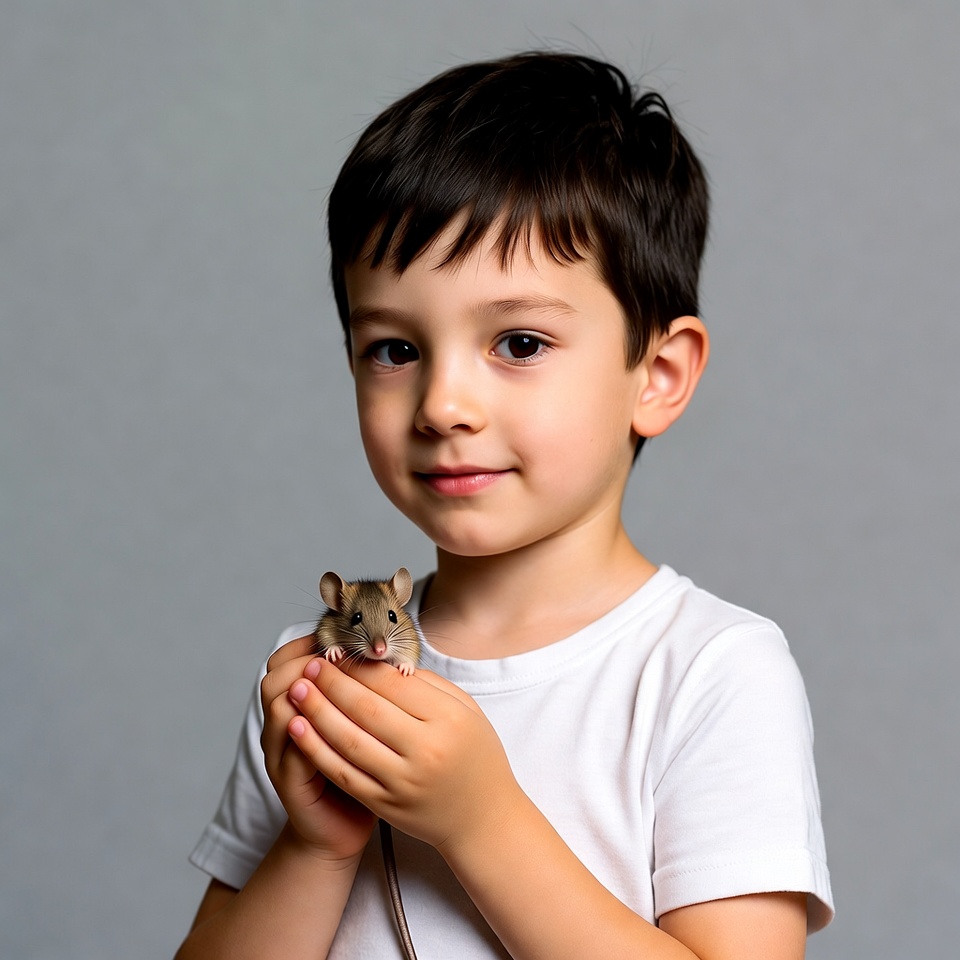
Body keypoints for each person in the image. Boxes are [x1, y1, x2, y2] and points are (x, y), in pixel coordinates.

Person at [176, 51, 833, 959]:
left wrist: (481, 822)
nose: (444, 404)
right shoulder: (320, 682)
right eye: (395, 350)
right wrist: (314, 848)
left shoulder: (709, 674)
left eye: (518, 341)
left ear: (658, 376)